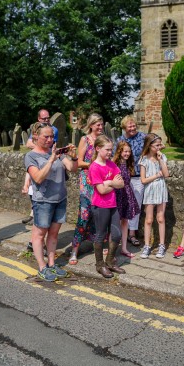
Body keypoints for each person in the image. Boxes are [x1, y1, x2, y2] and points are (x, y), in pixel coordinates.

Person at [24, 123, 78, 281]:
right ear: (36, 136)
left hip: (60, 199)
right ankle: (42, 267)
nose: (50, 140)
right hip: (43, 201)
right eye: (45, 137)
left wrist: (73, 156)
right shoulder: (31, 156)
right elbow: (39, 178)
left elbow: (72, 168)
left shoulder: (56, 152)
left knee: (54, 234)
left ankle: (52, 264)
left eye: (52, 137)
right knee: (39, 235)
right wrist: (51, 160)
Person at [89, 135, 127, 277]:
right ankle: (100, 264)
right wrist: (113, 183)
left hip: (112, 205)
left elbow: (121, 183)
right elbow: (101, 190)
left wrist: (108, 182)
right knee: (100, 235)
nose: (110, 152)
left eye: (111, 150)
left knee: (116, 234)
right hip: (100, 206)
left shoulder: (112, 164)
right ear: (98, 149)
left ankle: (110, 261)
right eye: (107, 150)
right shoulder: (94, 167)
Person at [69, 113, 104, 265]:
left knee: (100, 216)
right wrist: (94, 164)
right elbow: (79, 162)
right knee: (84, 215)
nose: (101, 127)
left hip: (101, 181)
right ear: (91, 125)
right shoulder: (85, 139)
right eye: (98, 124)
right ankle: (74, 251)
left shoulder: (103, 140)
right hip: (87, 180)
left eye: (102, 124)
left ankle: (100, 248)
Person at [114, 115, 146, 247]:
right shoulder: (120, 140)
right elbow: (115, 157)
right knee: (121, 206)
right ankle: (120, 234)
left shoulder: (143, 137)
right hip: (123, 178)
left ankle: (132, 234)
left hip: (138, 176)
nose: (133, 128)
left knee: (135, 205)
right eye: (130, 126)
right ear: (124, 127)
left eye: (134, 125)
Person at [139, 133, 169, 258]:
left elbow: (166, 174)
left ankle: (161, 245)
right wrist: (156, 175)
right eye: (156, 145)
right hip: (150, 190)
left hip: (161, 189)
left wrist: (161, 159)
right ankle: (147, 245)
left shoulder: (162, 157)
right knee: (149, 219)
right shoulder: (144, 159)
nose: (159, 147)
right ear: (149, 145)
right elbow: (143, 180)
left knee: (160, 218)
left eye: (160, 145)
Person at [112, 141, 140, 258]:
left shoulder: (129, 164)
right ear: (119, 151)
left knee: (125, 222)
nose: (127, 153)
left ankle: (123, 248)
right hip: (117, 195)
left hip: (127, 195)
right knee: (114, 223)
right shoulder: (114, 164)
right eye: (125, 151)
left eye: (129, 151)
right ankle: (111, 247)